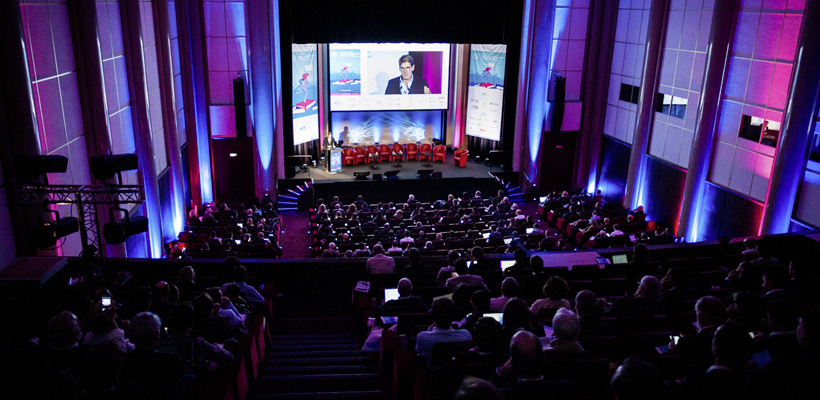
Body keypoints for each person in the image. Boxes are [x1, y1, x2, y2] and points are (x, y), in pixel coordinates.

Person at [415, 298, 473, 369]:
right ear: (453, 315)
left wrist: (430, 329)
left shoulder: (422, 337)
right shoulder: (466, 335)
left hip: (434, 377)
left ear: (433, 315)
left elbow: (418, 352)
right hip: (459, 375)